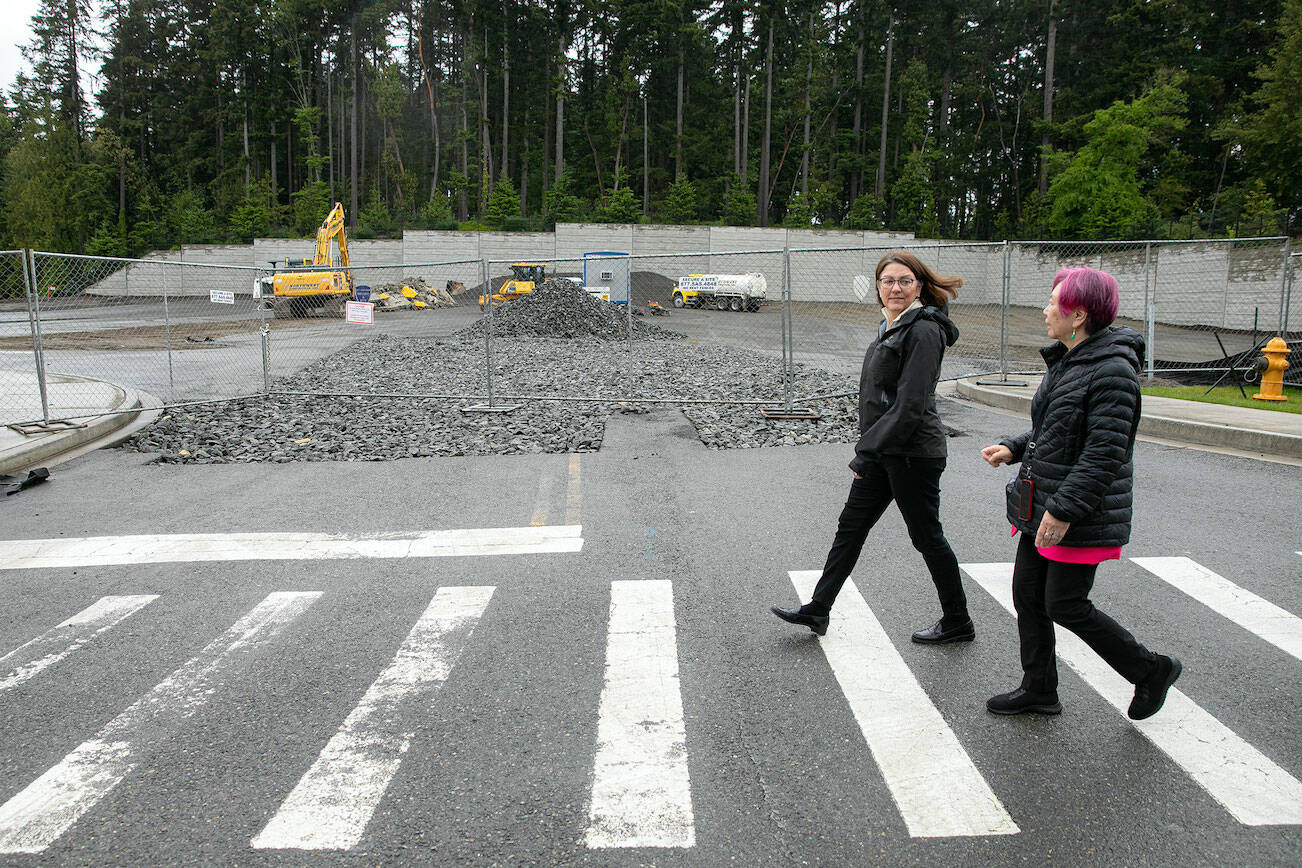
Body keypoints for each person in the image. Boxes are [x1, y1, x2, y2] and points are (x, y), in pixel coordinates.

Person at [980, 266, 1181, 720]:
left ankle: (1151, 670)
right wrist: (1013, 448)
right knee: (1028, 596)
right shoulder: (1069, 359)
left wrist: (1063, 509)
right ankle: (1039, 689)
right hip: (1044, 502)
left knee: (1065, 604)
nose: (1045, 308)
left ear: (1079, 315)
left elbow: (1104, 454)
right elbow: (1051, 429)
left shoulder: (1112, 372)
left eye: (1054, 301)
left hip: (1075, 512)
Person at [771, 250, 974, 643]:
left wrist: (866, 450)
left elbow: (911, 404)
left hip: (913, 453)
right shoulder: (892, 325)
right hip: (885, 450)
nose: (895, 288)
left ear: (919, 286)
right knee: (851, 528)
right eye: (887, 281)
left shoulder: (924, 330)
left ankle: (958, 620)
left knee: (927, 536)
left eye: (904, 281)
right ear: (878, 287)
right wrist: (873, 448)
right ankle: (818, 609)